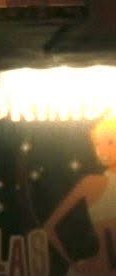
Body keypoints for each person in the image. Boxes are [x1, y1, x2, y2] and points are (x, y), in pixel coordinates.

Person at [45, 117, 116, 275]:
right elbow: (49, 227)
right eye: (97, 144)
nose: (102, 150)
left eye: (110, 142)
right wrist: (74, 265)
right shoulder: (91, 183)